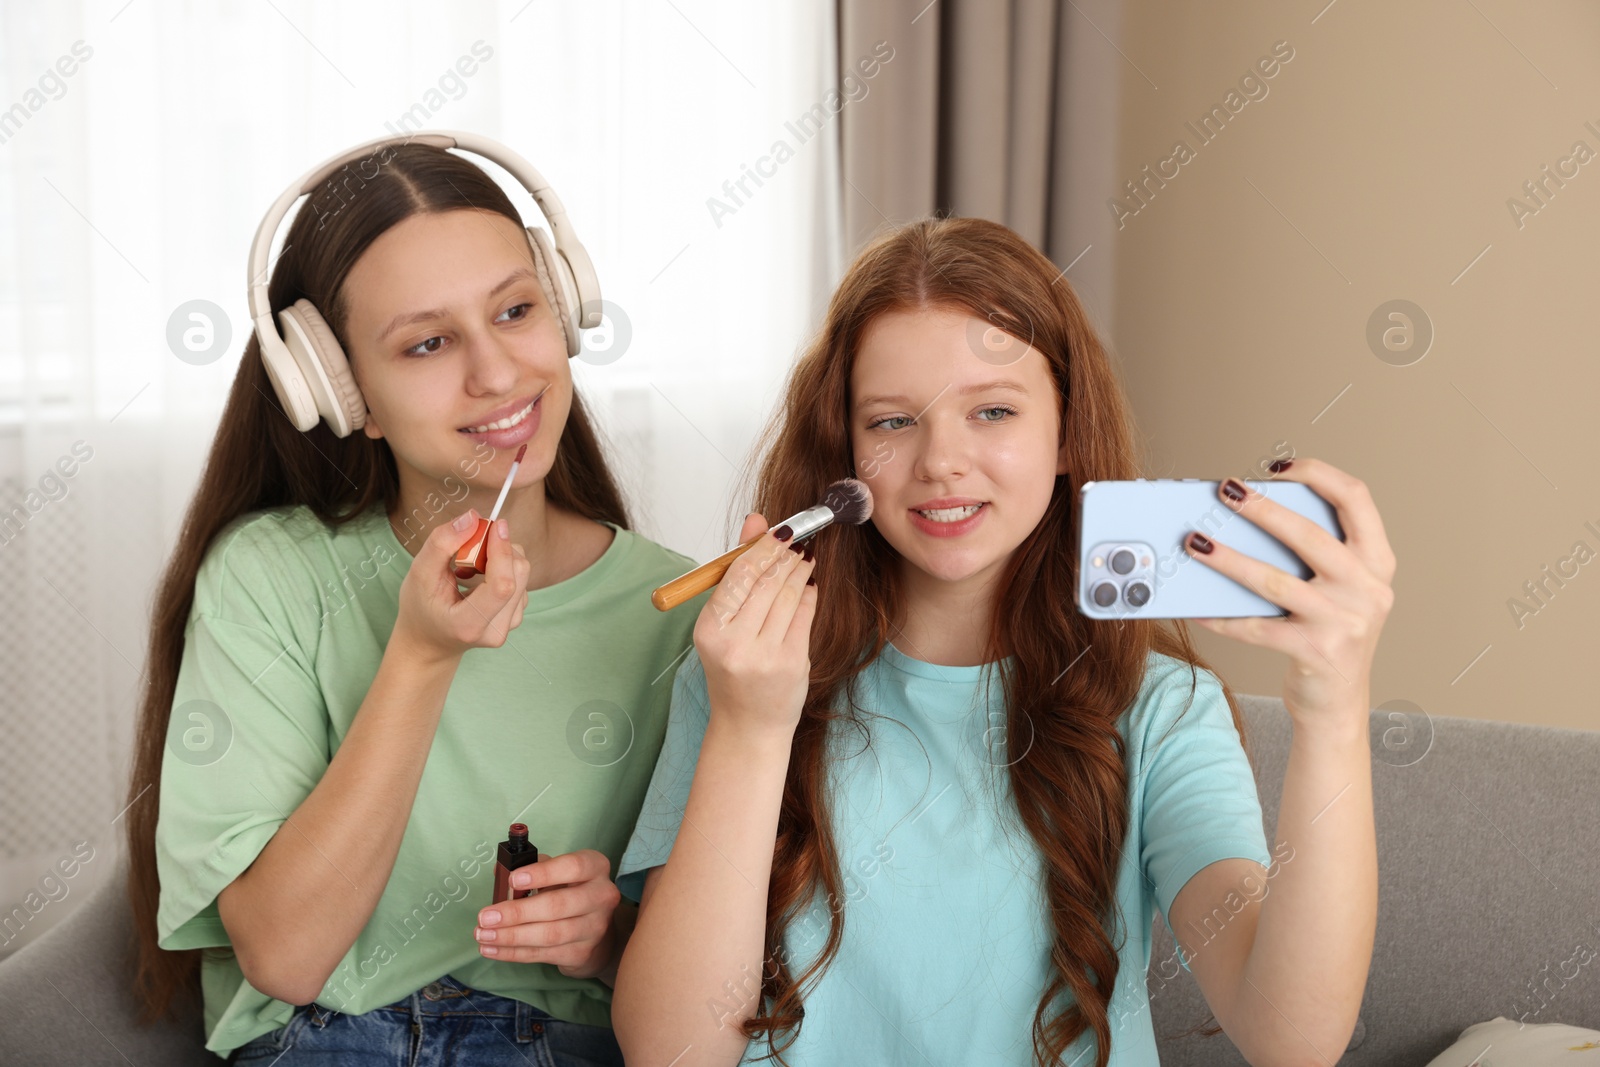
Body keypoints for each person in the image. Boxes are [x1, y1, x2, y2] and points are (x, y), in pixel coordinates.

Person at [610, 216, 1395, 1066]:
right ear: (844, 453)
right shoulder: (743, 677)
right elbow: (671, 1052)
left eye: (992, 410)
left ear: (1065, 431)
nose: (942, 460)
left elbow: (1295, 1039)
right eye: (890, 422)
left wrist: (1334, 706)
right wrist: (751, 730)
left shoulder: (1162, 709)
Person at [123, 136, 705, 1064]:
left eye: (517, 310)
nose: (498, 372)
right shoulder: (270, 575)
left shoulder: (683, 607)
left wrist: (607, 942)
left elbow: (722, 989)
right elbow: (285, 954)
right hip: (329, 1037)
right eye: (428, 342)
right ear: (343, 389)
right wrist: (421, 655)